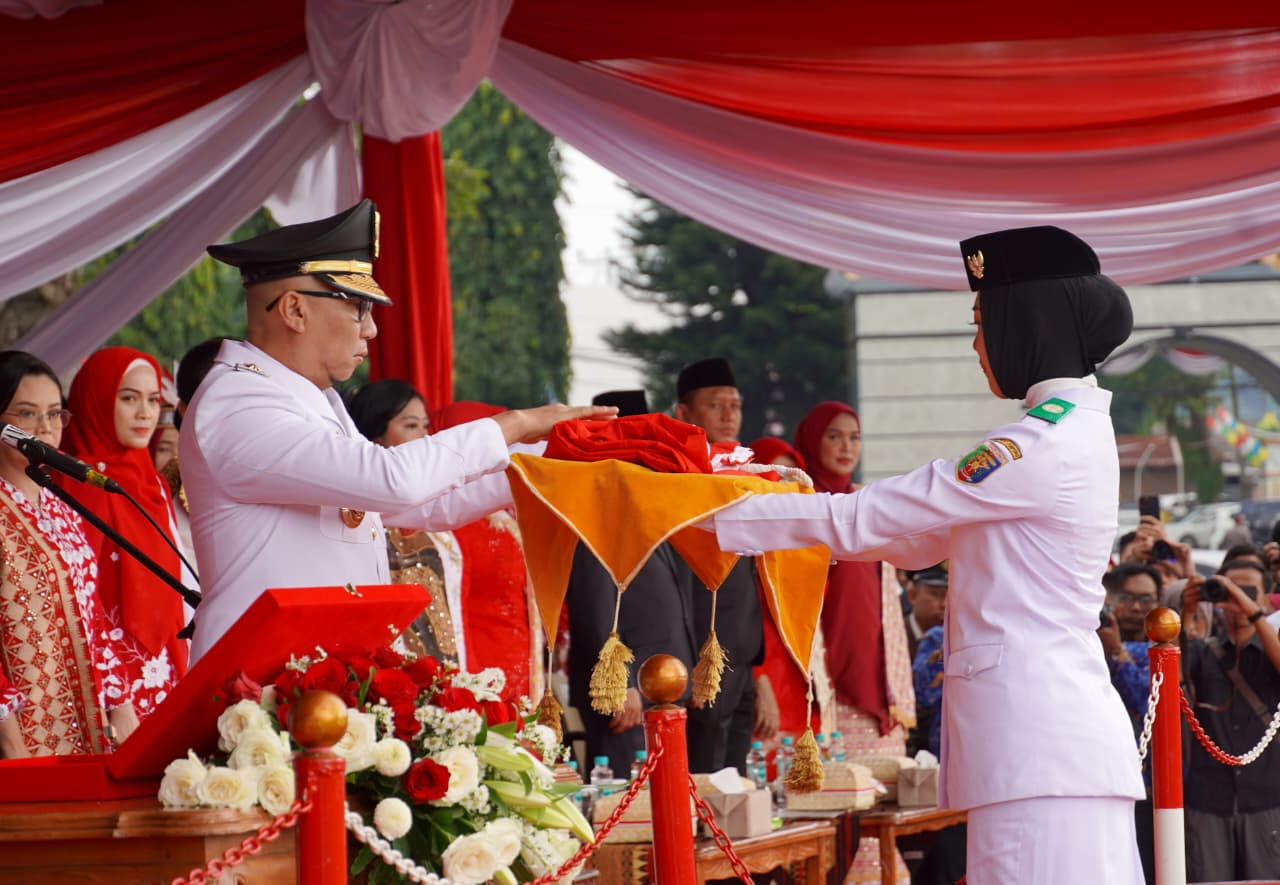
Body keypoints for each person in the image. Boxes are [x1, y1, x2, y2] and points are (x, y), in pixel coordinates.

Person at [707, 226, 1144, 884]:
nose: (975, 343)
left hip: (1040, 753)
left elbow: (869, 515)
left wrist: (712, 513)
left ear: (1023, 322)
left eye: (981, 321)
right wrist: (778, 499)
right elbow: (911, 536)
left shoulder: (1039, 444)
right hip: (1048, 752)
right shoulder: (1065, 430)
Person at [185, 200, 613, 661]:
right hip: (255, 681)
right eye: (357, 308)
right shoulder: (239, 400)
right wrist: (517, 424)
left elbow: (430, 502)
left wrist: (552, 459)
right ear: (294, 310)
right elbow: (394, 481)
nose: (370, 330)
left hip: (312, 677)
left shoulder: (312, 400)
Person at [0, 351, 138, 757]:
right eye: (27, 414)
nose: (44, 428)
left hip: (83, 731)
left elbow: (90, 614)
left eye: (55, 414)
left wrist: (121, 705)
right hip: (19, 740)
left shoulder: (60, 504)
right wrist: (10, 743)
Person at [563, 389, 698, 776]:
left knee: (666, 807)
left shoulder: (644, 503)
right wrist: (620, 683)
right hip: (628, 695)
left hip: (661, 689)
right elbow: (594, 604)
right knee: (628, 812)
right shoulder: (598, 508)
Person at [63, 346, 189, 721]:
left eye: (152, 400)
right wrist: (115, 699)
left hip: (163, 666)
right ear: (96, 401)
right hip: (105, 684)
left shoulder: (152, 485)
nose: (145, 413)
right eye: (128, 398)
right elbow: (77, 602)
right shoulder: (76, 483)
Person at [674, 358, 766, 774]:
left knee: (739, 787)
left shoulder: (746, 474)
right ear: (684, 413)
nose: (730, 415)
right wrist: (687, 659)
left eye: (736, 404)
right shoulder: (676, 479)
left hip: (743, 657)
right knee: (706, 781)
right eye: (716, 405)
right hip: (702, 661)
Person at [347, 379, 463, 664]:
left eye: (425, 426)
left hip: (444, 667)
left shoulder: (436, 506)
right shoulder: (360, 512)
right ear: (376, 434)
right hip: (383, 669)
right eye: (411, 426)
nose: (424, 437)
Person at [1180, 560, 1280, 882]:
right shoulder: (1203, 652)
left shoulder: (1270, 651)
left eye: (1248, 591)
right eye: (1229, 590)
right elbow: (1169, 675)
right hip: (1209, 799)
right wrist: (1186, 612)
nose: (1236, 599)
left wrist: (1253, 613)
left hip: (1267, 797)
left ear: (1266, 599)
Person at [905, 564, 949, 663]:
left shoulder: (955, 639)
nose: (945, 604)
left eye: (950, 597)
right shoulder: (894, 635)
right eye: (936, 594)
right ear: (913, 595)